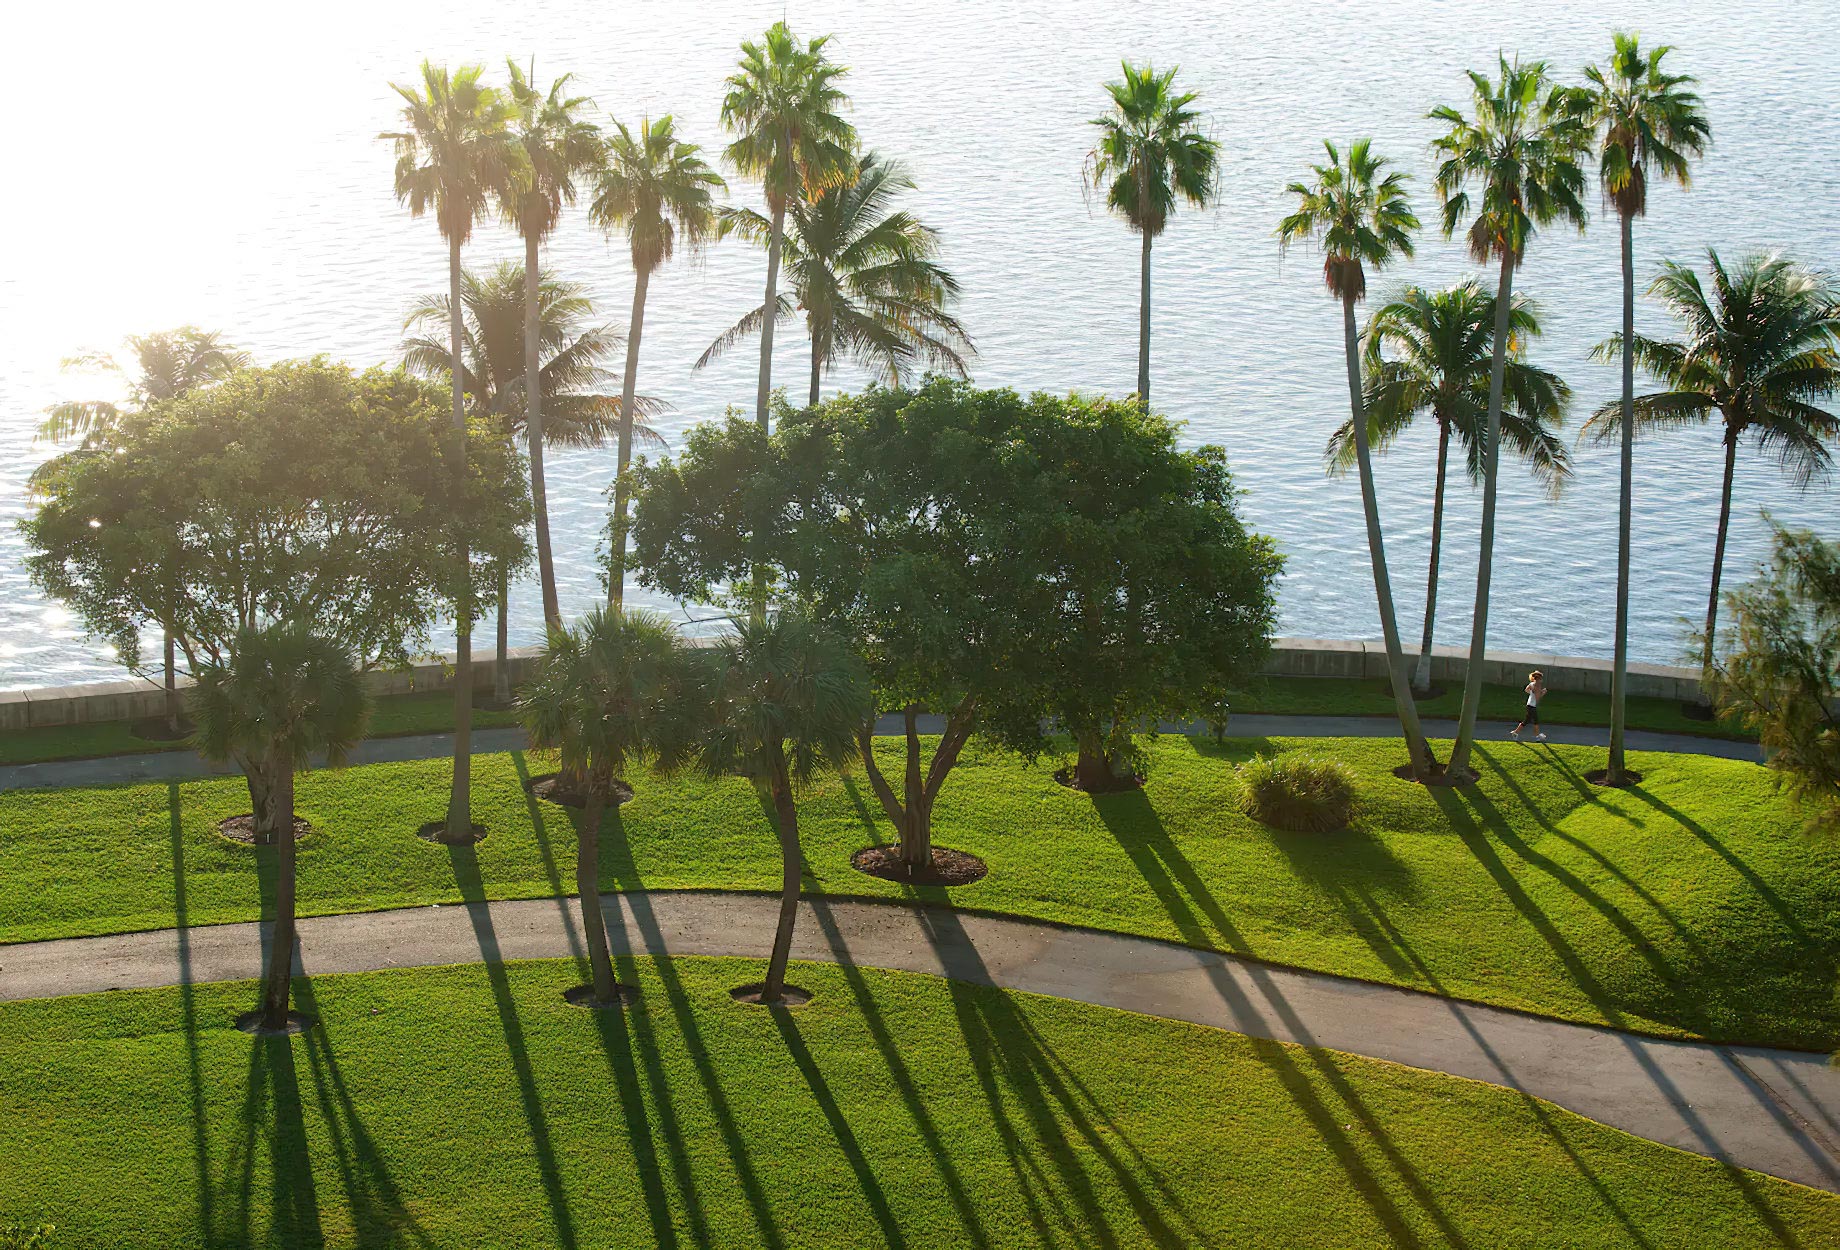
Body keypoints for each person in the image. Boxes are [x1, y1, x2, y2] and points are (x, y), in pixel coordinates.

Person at [1511, 670, 1547, 741]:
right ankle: (1537, 736)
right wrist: (1543, 692)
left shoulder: (1532, 684)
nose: (1542, 680)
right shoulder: (1537, 686)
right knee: (1535, 721)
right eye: (1541, 679)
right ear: (1538, 679)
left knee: (1527, 721)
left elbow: (1526, 690)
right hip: (1532, 706)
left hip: (1529, 705)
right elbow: (1537, 698)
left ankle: (1515, 732)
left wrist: (1532, 693)